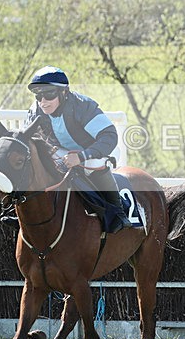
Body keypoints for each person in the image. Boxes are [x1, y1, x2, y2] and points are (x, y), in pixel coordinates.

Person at [24, 66, 131, 232]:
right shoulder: (36, 110)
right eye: (38, 95)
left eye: (49, 94)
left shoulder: (82, 106)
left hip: (96, 150)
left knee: (94, 165)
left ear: (64, 92)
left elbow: (109, 136)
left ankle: (117, 212)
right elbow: (29, 140)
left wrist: (81, 157)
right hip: (61, 151)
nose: (43, 101)